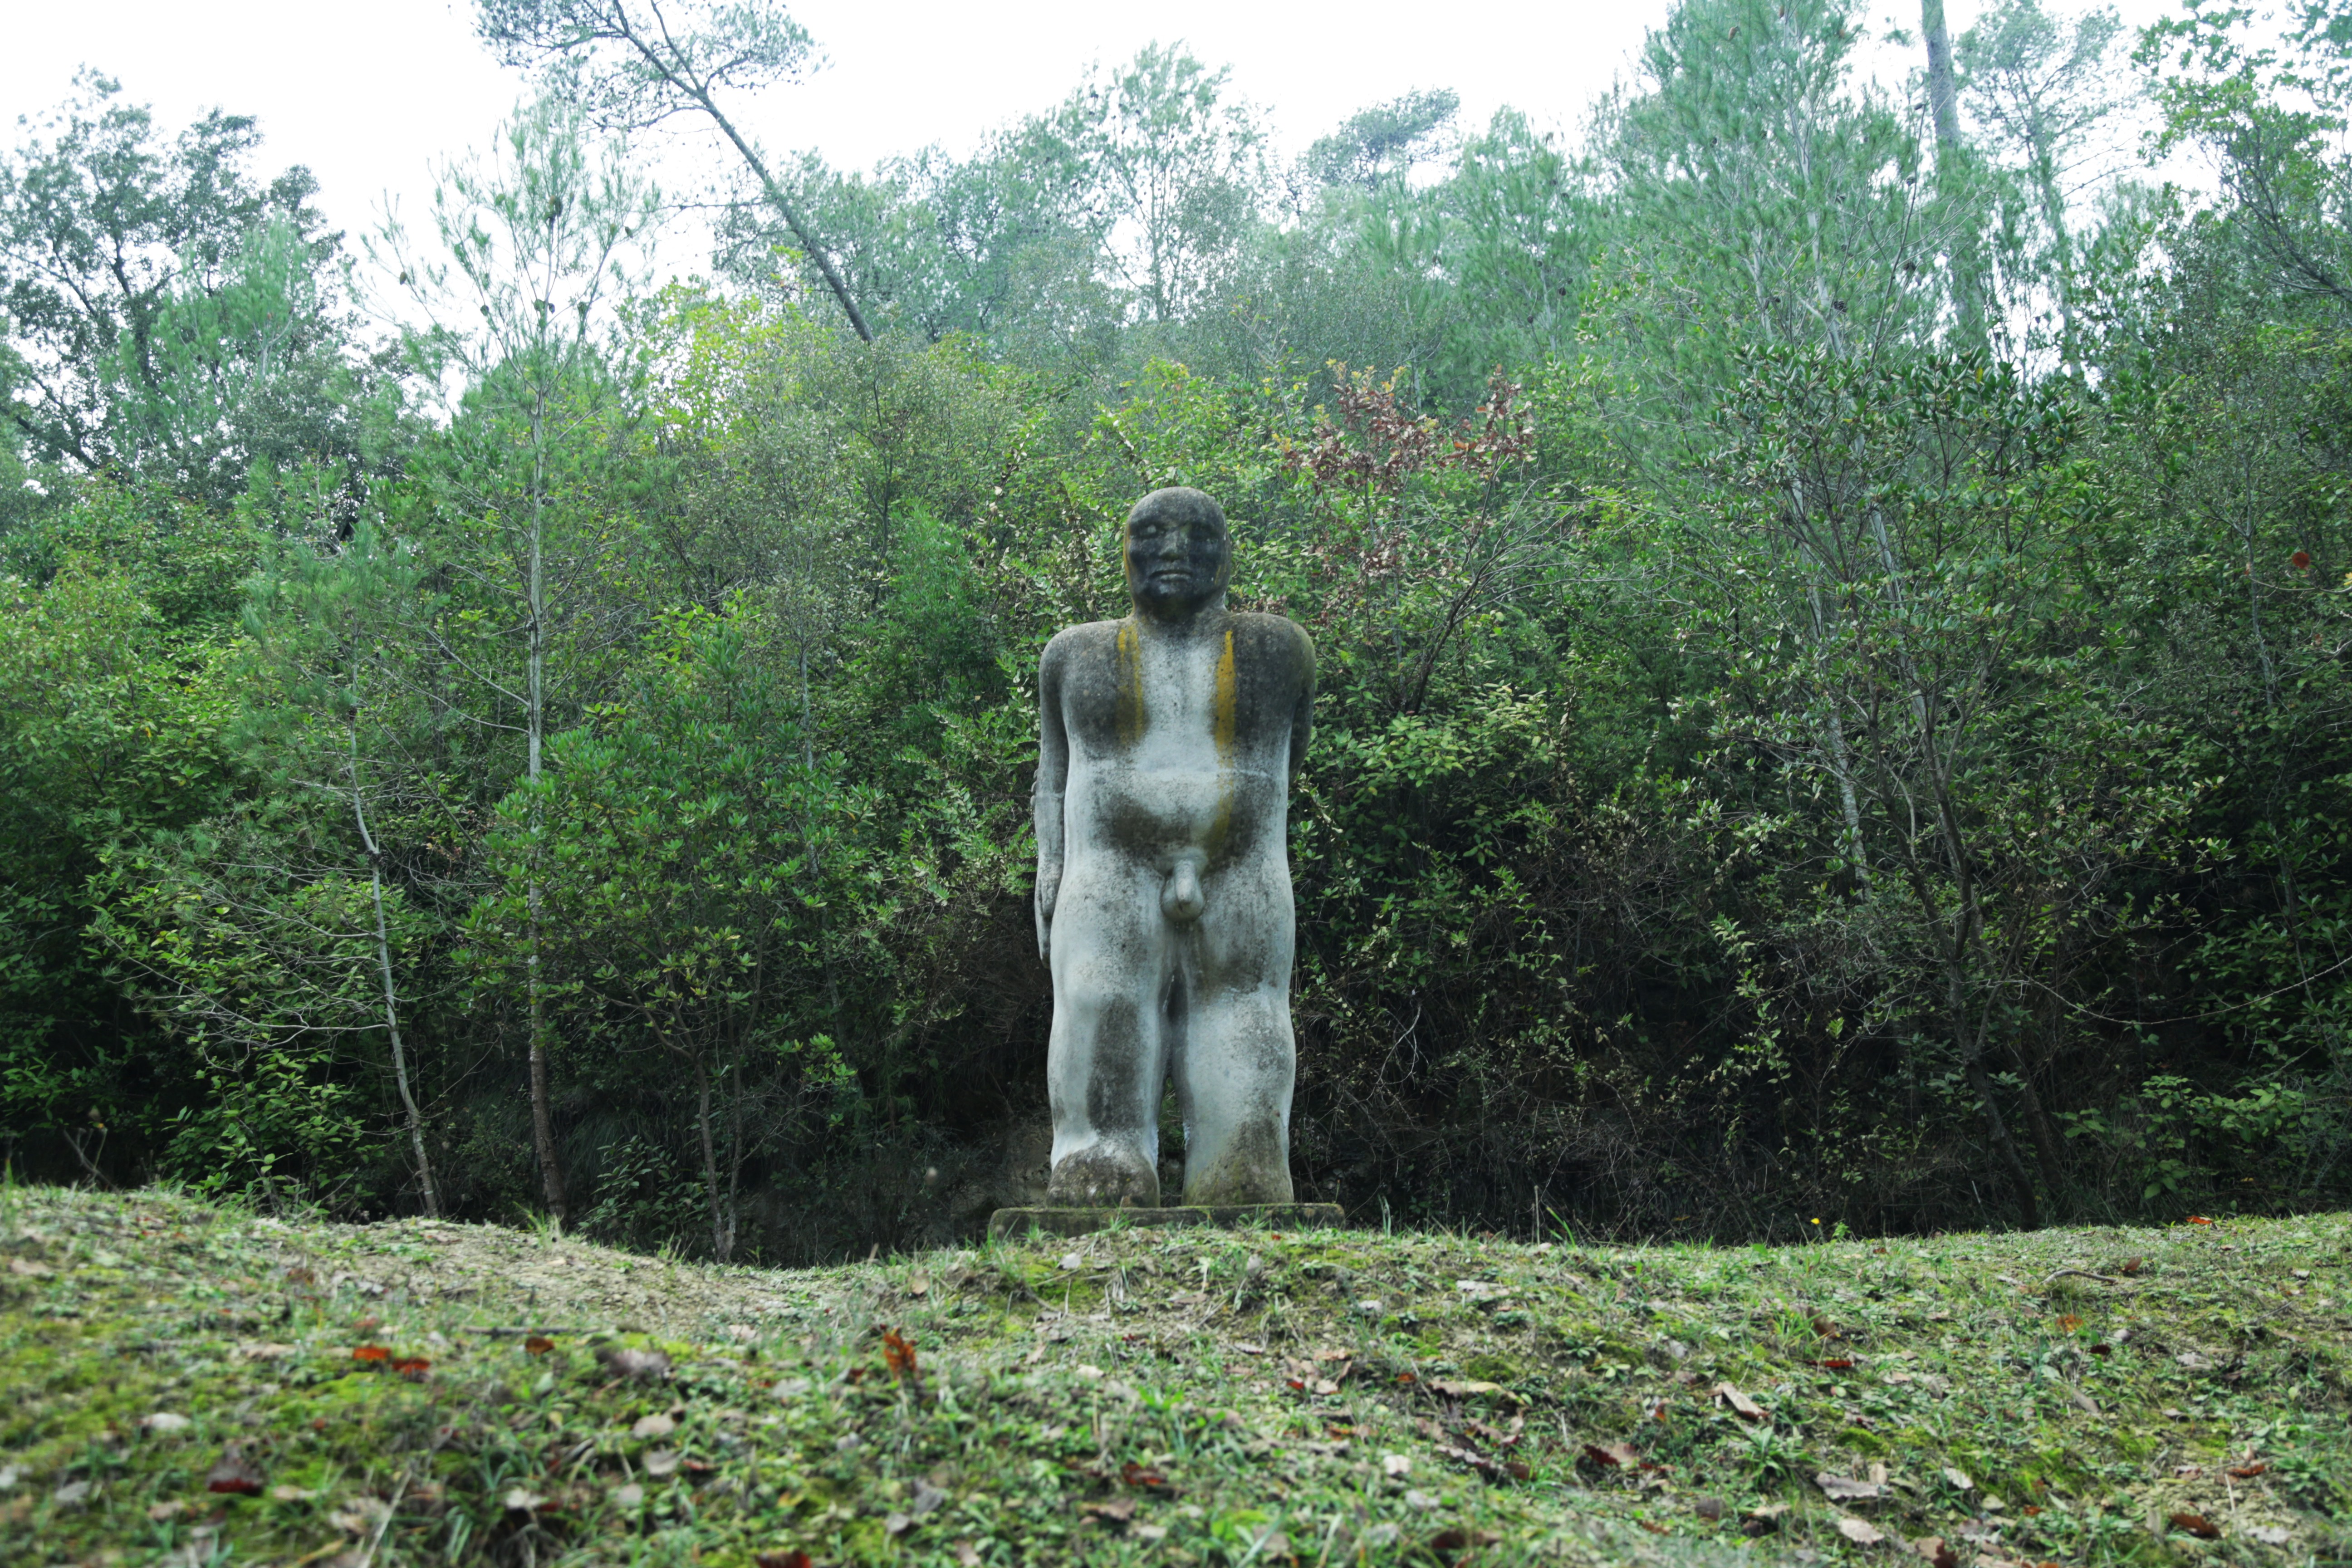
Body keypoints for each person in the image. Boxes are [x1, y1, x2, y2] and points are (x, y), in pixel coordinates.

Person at [1032, 487, 1316, 1206]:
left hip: (1243, 867)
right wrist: (1053, 864)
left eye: (1197, 535)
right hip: (1109, 869)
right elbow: (1053, 776)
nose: (1174, 550)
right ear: (1122, 551)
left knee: (1247, 1020)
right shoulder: (1073, 656)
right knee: (1101, 1005)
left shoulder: (1279, 650)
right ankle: (1101, 1160)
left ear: (1227, 553)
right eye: (1152, 533)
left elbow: (1289, 762)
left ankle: (1242, 1166)